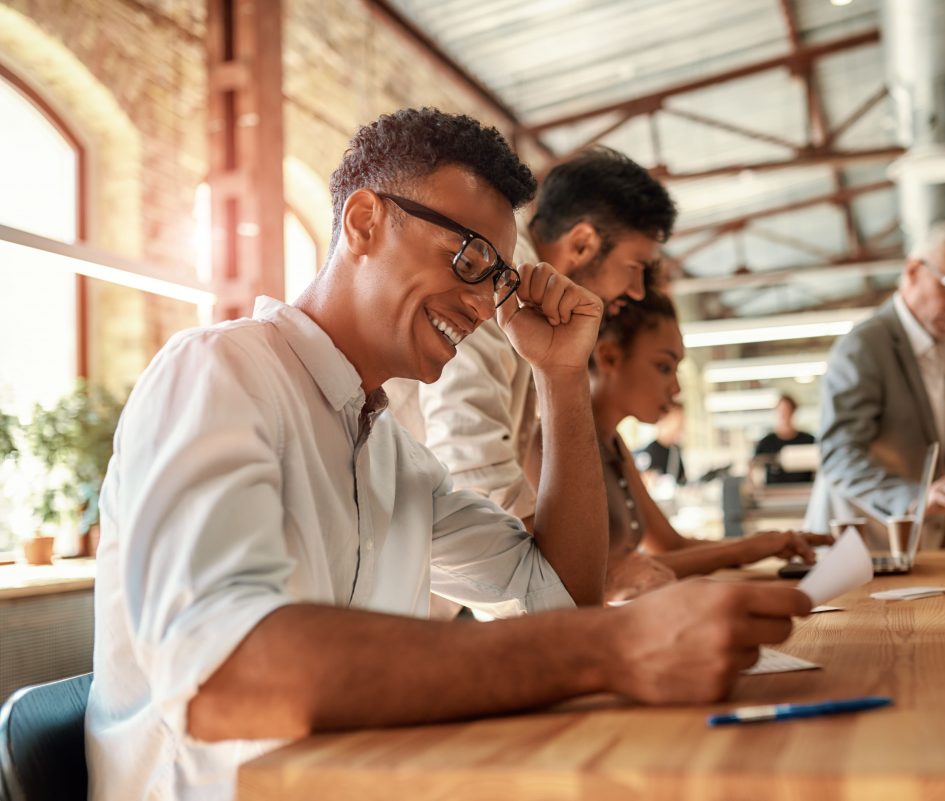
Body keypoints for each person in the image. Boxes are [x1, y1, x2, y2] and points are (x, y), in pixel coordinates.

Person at [84, 109, 813, 801]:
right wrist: (609, 648)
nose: (483, 304)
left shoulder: (391, 454)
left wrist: (560, 376)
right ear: (364, 221)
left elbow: (558, 594)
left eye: (498, 277)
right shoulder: (218, 374)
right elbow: (225, 675)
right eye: (469, 258)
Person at [405, 146, 676, 532]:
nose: (636, 291)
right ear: (582, 243)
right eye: (634, 268)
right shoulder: (495, 292)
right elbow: (474, 472)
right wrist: (572, 569)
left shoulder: (532, 301)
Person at [591, 289, 832, 601]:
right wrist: (744, 549)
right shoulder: (558, 444)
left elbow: (669, 547)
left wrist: (764, 543)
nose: (675, 387)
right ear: (609, 357)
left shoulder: (615, 444)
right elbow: (613, 575)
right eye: (664, 367)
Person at [818, 221, 945, 547]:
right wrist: (917, 496)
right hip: (865, 546)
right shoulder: (864, 346)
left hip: (923, 549)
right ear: (913, 271)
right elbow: (840, 457)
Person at [753, 394, 816, 483]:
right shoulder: (766, 442)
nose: (784, 414)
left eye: (787, 410)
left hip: (803, 491)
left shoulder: (809, 440)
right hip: (773, 492)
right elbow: (755, 466)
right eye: (781, 411)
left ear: (793, 411)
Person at [636, 400, 687, 486]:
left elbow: (682, 481)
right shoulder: (648, 454)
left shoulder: (675, 451)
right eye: (677, 420)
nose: (681, 426)